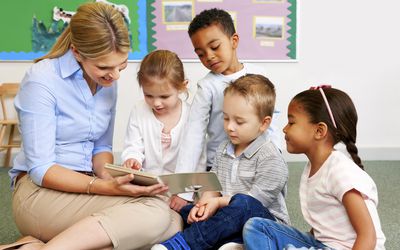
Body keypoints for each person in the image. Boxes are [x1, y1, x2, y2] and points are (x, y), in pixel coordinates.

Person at [5, 2, 181, 250]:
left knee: (172, 219)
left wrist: (116, 178)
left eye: (121, 65)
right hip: (38, 194)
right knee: (156, 217)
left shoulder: (107, 83)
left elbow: (101, 146)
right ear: (77, 52)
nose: (115, 76)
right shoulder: (42, 80)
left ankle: (36, 247)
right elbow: (41, 169)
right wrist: (105, 188)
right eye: (104, 67)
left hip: (87, 183)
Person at [152, 74, 290, 250]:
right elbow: (214, 187)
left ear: (264, 123)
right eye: (226, 118)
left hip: (263, 225)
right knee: (188, 210)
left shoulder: (271, 158)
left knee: (242, 203)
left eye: (239, 121)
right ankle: (233, 243)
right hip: (228, 219)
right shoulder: (224, 147)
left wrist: (216, 203)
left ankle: (183, 244)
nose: (230, 127)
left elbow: (252, 203)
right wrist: (205, 205)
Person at [243, 86, 386, 249]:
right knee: (257, 227)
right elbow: (324, 225)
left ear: (319, 131)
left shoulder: (340, 172)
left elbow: (368, 235)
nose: (284, 128)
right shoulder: (313, 166)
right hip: (323, 244)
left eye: (291, 122)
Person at [175, 8, 281, 173]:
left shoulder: (261, 74)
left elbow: (272, 121)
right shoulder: (207, 86)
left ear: (234, 41)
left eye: (215, 47)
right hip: (219, 164)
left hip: (257, 162)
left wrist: (276, 156)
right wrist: (182, 183)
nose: (209, 56)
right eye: (201, 54)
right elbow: (194, 133)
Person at [121, 49, 191, 212]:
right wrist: (132, 159)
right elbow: (133, 144)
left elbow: (196, 160)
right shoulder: (139, 110)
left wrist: (184, 195)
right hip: (146, 188)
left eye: (164, 97)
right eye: (149, 95)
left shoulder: (191, 116)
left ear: (182, 86)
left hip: (180, 193)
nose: (156, 103)